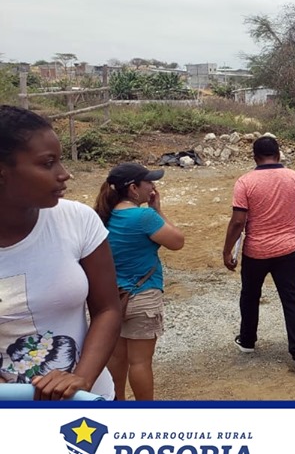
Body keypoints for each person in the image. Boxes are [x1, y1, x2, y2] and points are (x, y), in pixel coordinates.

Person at [0, 105, 122, 400]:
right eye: (48, 163)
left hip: (85, 404)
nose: (64, 174)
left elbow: (107, 309)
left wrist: (81, 379)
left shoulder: (77, 220)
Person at [223, 136, 295, 375]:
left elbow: (238, 221)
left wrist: (227, 250)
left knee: (250, 296)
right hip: (288, 250)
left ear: (255, 157)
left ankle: (247, 340)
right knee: (292, 300)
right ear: (279, 154)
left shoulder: (245, 182)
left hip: (256, 252)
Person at [94, 163, 184, 401]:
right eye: (149, 182)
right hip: (142, 295)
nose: (153, 187)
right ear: (133, 189)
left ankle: (117, 405)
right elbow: (177, 242)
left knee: (116, 359)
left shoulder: (102, 215)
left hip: (112, 297)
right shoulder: (144, 216)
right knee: (140, 362)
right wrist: (158, 210)